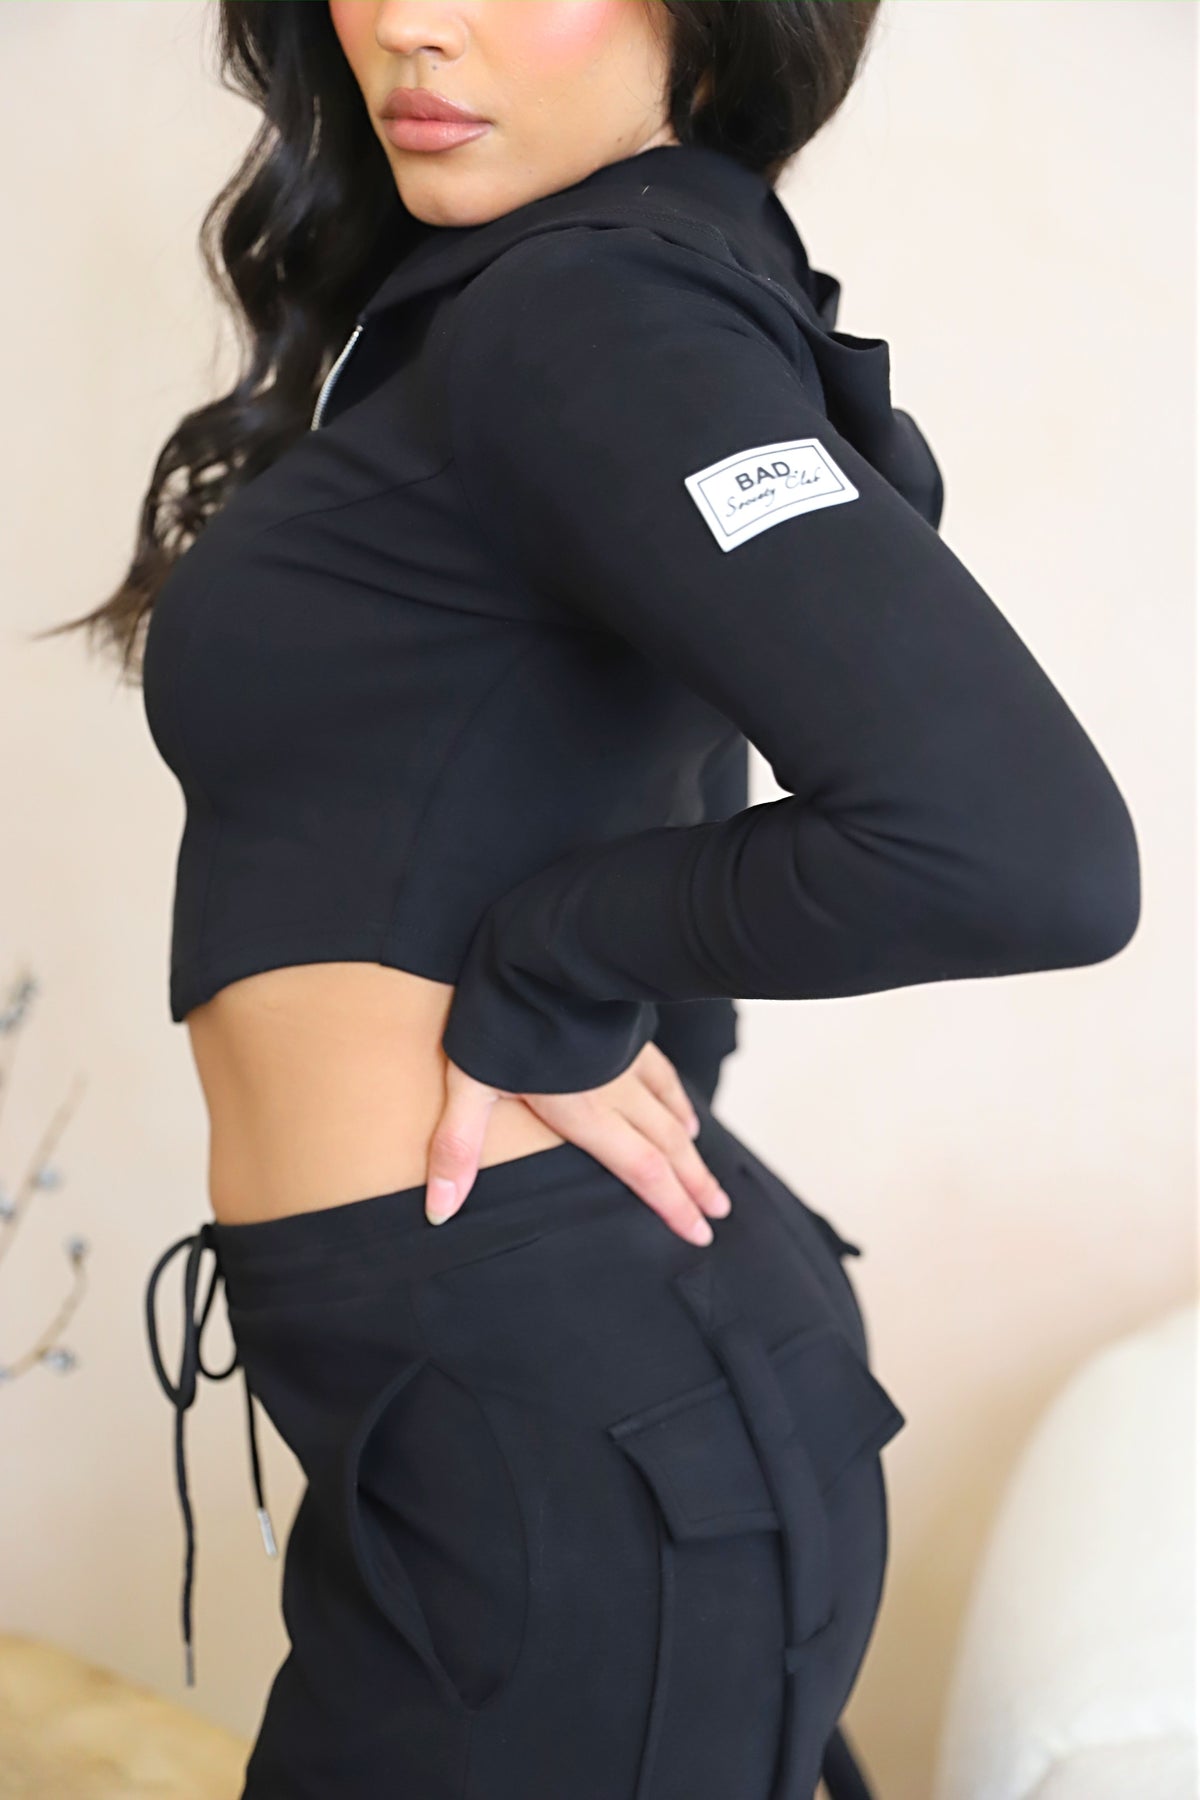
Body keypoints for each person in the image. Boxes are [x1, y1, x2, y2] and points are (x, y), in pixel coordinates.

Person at [45, 3, 1140, 1796]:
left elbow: (1023, 848)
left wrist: (557, 963)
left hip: (564, 1429)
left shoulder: (594, 310)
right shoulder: (574, 286)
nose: (413, 21)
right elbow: (658, 742)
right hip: (543, 1392)